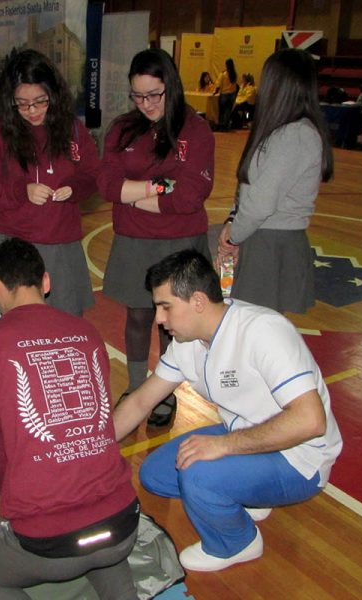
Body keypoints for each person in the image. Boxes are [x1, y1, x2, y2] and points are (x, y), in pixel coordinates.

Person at [113, 249, 342, 572]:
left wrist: (222, 445)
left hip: (301, 458)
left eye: (165, 307)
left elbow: (310, 421)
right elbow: (140, 401)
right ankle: (246, 494)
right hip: (247, 434)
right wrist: (91, 449)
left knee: (197, 474)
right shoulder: (187, 343)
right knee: (155, 474)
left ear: (197, 302)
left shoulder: (263, 331)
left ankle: (237, 543)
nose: (159, 319)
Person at [0, 238, 140, 600]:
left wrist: (11, 493)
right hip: (123, 523)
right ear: (45, 282)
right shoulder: (87, 334)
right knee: (98, 542)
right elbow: (99, 417)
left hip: (48, 543)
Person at [98, 48, 214, 428]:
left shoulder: (196, 130)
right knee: (137, 316)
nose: (145, 104)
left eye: (154, 95)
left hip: (179, 243)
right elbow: (108, 186)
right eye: (137, 95)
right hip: (135, 241)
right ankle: (136, 386)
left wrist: (137, 198)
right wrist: (160, 186)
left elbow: (189, 197)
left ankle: (163, 393)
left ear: (172, 87)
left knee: (172, 323)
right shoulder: (122, 129)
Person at [0, 49, 99, 317]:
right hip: (13, 248)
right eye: (22, 103)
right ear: (10, 102)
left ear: (53, 94)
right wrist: (21, 191)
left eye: (41, 101)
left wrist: (75, 188)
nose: (32, 111)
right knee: (16, 327)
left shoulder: (73, 128)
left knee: (65, 323)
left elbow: (92, 175)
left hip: (62, 247)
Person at [217, 49, 334, 315]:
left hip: (270, 245)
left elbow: (260, 203)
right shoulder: (283, 132)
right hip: (261, 239)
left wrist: (233, 236)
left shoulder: (295, 135)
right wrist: (232, 223)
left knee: (254, 334)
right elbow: (248, 192)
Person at [214, 58, 238, 130]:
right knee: (228, 111)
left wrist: (215, 92)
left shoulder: (223, 74)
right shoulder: (234, 74)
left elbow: (218, 85)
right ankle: (225, 125)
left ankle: (220, 125)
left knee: (222, 111)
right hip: (232, 94)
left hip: (224, 94)